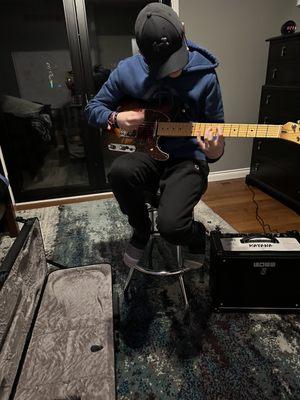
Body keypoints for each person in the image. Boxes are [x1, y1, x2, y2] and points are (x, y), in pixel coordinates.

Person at [85, 3, 225, 269]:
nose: (174, 71)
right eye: (163, 65)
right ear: (142, 51)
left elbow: (217, 134)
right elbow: (92, 109)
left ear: (183, 32)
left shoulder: (206, 75)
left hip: (187, 158)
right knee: (118, 173)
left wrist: (214, 149)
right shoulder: (127, 70)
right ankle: (140, 229)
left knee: (172, 227)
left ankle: (197, 236)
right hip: (147, 151)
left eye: (176, 59)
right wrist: (115, 118)